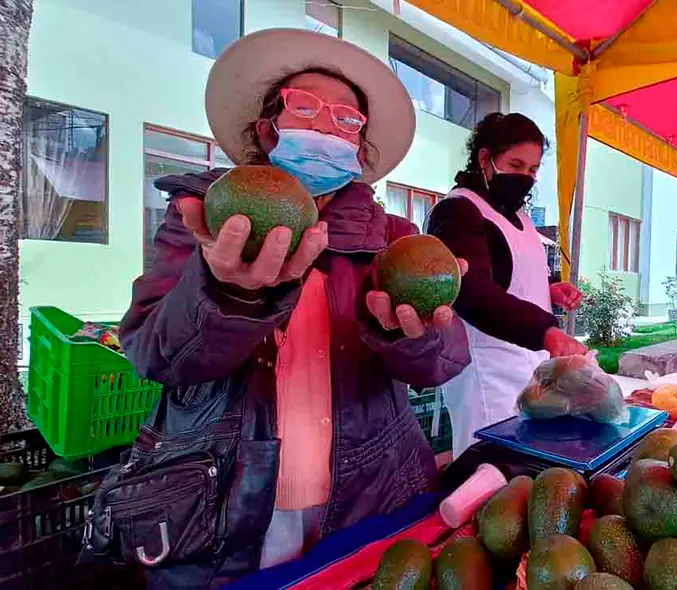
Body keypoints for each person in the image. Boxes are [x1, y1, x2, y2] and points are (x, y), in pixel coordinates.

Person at [90, 30, 471, 586]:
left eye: (346, 119)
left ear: (360, 144)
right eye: (305, 106)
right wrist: (228, 296)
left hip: (371, 496)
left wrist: (415, 338)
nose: (324, 126)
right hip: (221, 505)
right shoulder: (205, 217)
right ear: (270, 125)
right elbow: (153, 354)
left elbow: (445, 362)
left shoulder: (394, 238)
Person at [426, 113, 588, 456]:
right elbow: (472, 293)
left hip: (529, 365)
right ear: (485, 158)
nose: (525, 177)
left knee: (524, 469)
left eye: (532, 170)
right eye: (516, 164)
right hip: (487, 372)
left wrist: (549, 291)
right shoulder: (458, 212)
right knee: (489, 469)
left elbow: (513, 277)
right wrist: (546, 330)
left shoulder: (519, 216)